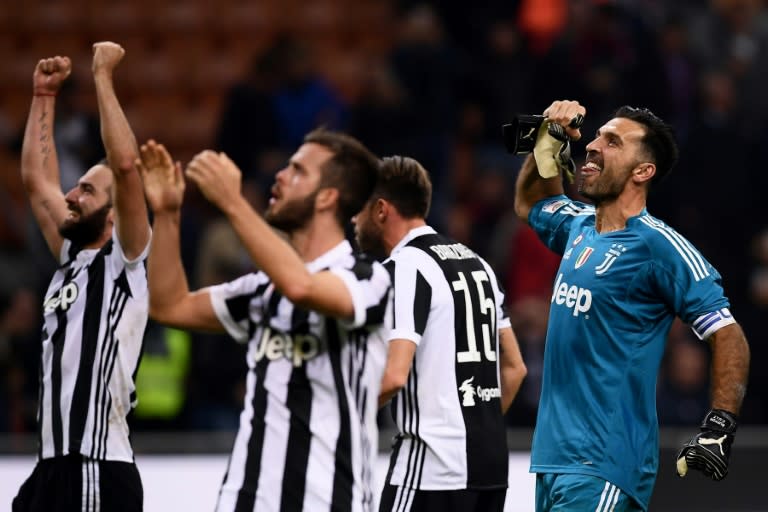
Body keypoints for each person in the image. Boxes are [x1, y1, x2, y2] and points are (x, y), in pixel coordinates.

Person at [513, 100, 750, 511]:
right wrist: (547, 140)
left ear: (643, 171)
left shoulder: (660, 247)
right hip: (553, 458)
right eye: (596, 136)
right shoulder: (578, 225)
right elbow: (530, 203)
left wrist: (719, 425)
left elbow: (728, 333)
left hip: (605, 460)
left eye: (612, 142)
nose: (593, 146)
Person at [135, 129, 390, 512]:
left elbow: (302, 287)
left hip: (328, 502)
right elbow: (170, 306)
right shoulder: (262, 291)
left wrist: (233, 202)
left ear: (327, 197)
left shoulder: (368, 278)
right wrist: (168, 213)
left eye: (298, 170)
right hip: (246, 500)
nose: (281, 176)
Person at [13, 42, 151, 511]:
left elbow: (127, 168)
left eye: (87, 190)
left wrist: (102, 77)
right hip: (51, 467)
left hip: (95, 466)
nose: (71, 195)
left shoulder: (126, 262)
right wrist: (43, 95)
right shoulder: (71, 255)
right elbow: (36, 180)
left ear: (115, 214)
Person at [354, 155, 527, 512]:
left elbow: (394, 375)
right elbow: (515, 369)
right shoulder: (478, 263)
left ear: (381, 209)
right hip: (490, 466)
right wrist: (474, 429)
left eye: (358, 209)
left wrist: (338, 421)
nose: (353, 221)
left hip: (431, 469)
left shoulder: (404, 267)